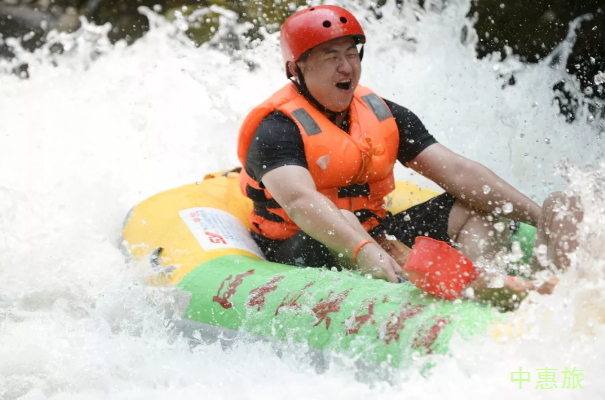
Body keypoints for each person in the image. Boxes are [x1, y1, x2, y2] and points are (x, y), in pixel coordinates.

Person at [236, 5, 575, 305]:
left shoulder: (383, 113)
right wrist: (364, 249)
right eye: (330, 56)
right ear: (296, 68)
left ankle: (493, 285)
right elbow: (300, 201)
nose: (346, 67)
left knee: (479, 204)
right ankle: (486, 289)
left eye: (351, 53)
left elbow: (458, 172)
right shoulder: (276, 128)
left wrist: (538, 214)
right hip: (299, 246)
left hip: (373, 230)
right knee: (346, 220)